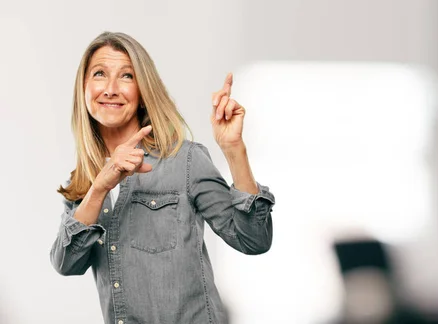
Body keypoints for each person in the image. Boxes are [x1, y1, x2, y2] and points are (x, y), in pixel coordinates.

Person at [50, 31, 275, 324]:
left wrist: (234, 149)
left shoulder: (184, 160)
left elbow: (254, 240)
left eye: (127, 76)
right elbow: (66, 263)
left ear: (143, 92)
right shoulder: (83, 182)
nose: (111, 88)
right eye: (100, 74)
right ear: (84, 88)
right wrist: (100, 187)